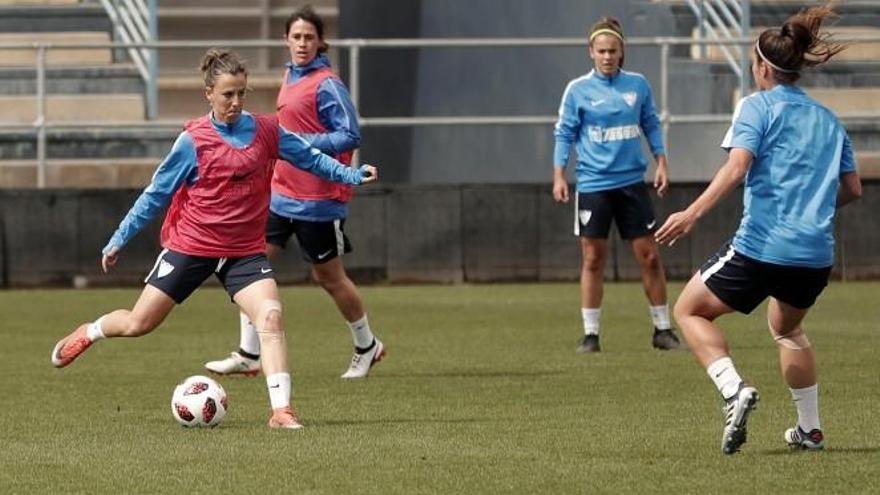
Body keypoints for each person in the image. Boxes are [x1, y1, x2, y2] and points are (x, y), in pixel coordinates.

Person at [50, 48, 378, 430]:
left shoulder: (267, 130)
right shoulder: (192, 141)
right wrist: (119, 237)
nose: (236, 101)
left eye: (242, 93)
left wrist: (352, 176)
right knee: (139, 323)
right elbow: (155, 194)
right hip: (191, 246)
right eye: (228, 94)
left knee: (270, 316)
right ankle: (90, 331)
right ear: (209, 93)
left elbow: (310, 158)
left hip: (243, 252)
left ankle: (281, 411)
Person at [655, 6, 861, 454]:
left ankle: (734, 391)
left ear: (762, 67)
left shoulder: (756, 105)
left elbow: (737, 167)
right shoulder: (829, 119)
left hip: (763, 246)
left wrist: (690, 214)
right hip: (814, 255)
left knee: (689, 311)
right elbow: (852, 189)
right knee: (786, 329)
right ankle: (810, 430)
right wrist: (811, 207)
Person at [205, 5, 385, 380]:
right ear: (286, 39)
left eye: (309, 37)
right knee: (246, 263)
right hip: (280, 192)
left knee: (328, 277)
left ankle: (367, 345)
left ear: (320, 42)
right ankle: (249, 353)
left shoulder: (327, 83)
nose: (302, 43)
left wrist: (301, 141)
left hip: (318, 199)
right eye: (296, 36)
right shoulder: (291, 75)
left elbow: (350, 134)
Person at [553, 16, 681, 354]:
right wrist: (559, 175)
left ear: (622, 52)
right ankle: (590, 335)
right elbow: (564, 133)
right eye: (601, 51)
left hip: (631, 185)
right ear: (591, 52)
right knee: (593, 258)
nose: (607, 56)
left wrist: (662, 162)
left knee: (649, 256)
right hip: (593, 184)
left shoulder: (637, 86)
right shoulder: (577, 90)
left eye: (613, 51)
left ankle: (662, 329)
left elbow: (651, 124)